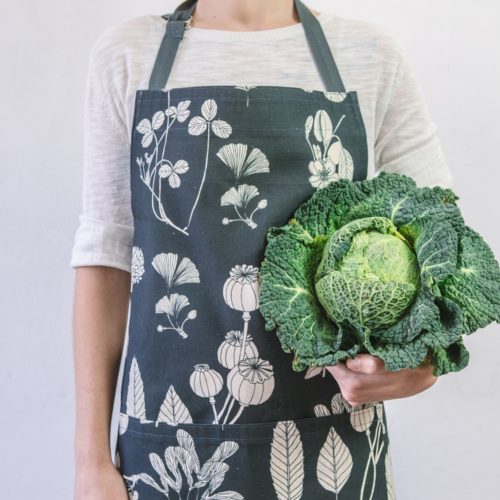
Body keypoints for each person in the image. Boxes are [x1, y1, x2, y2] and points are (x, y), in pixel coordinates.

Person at [71, 1, 449, 498]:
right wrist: (90, 463)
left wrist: (423, 362)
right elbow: (107, 258)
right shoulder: (127, 53)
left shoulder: (371, 54)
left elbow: (441, 243)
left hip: (334, 439)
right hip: (167, 444)